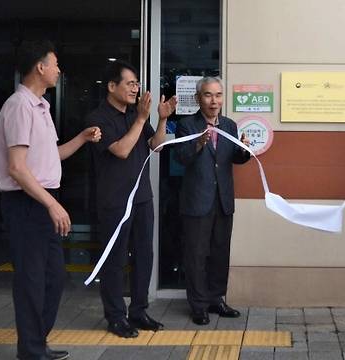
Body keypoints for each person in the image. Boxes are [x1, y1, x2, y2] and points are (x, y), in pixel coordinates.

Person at [0, 40, 102, 360]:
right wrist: (51, 204)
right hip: (26, 203)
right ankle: (30, 349)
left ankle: (37, 342)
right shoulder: (18, 106)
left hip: (40, 199)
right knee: (31, 280)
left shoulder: (41, 106)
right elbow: (17, 168)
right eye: (54, 64)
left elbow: (49, 157)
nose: (58, 70)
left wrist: (81, 138)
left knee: (54, 277)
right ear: (40, 67)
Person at [87, 60, 177, 338]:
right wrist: (141, 118)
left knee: (144, 255)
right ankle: (115, 316)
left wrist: (161, 119)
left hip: (141, 198)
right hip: (114, 201)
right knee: (114, 259)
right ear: (112, 86)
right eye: (130, 83)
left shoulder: (133, 115)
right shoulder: (98, 118)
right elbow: (122, 150)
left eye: (137, 84)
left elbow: (157, 145)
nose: (136, 88)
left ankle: (138, 310)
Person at [175, 77, 250, 325]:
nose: (214, 101)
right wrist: (198, 144)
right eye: (208, 95)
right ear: (198, 98)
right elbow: (180, 159)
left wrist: (244, 150)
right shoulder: (187, 125)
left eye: (218, 95)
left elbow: (234, 160)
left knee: (220, 252)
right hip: (197, 201)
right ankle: (198, 305)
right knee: (196, 255)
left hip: (223, 200)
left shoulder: (229, 125)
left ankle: (216, 299)